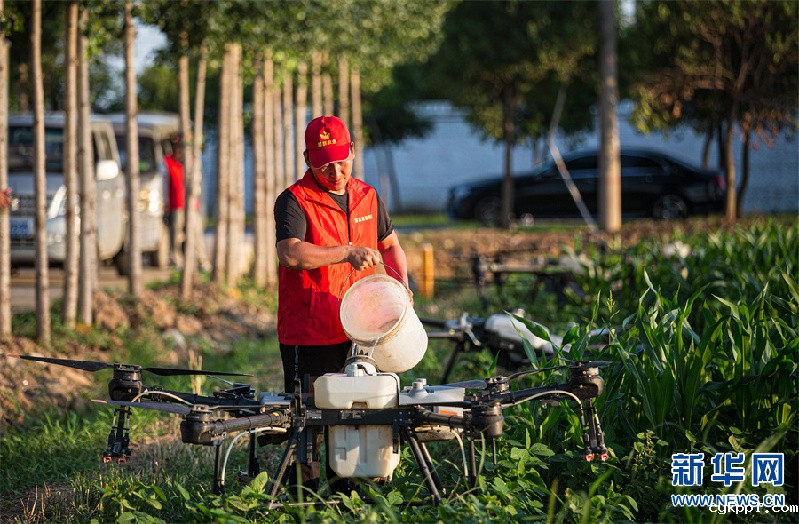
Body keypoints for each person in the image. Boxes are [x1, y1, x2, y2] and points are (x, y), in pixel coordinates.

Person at [274, 115, 409, 493]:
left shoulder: (367, 196)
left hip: (362, 329)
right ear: (307, 159)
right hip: (311, 329)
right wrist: (345, 253)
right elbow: (292, 254)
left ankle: (351, 489)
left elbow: (391, 245)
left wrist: (402, 285)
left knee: (359, 412)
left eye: (342, 160)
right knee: (309, 420)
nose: (336, 172)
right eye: (324, 165)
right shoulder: (293, 201)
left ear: (352, 151)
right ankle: (305, 495)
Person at [163, 135, 186, 267]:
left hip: (190, 205)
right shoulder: (167, 162)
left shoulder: (188, 162)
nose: (179, 150)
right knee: (175, 233)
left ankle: (198, 260)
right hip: (175, 204)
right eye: (176, 147)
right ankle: (174, 257)